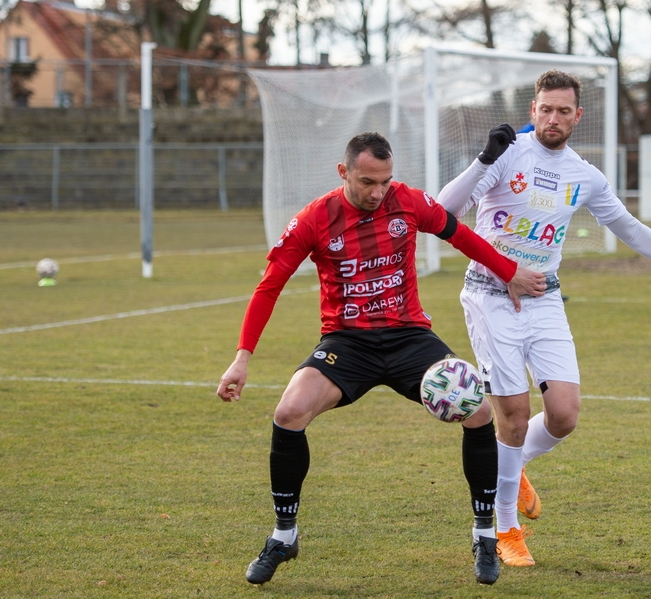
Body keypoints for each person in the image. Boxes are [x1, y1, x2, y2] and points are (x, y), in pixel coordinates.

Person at [437, 70, 651, 568]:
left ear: (578, 116)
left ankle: (507, 468)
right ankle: (505, 531)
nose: (553, 118)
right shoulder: (505, 154)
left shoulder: (585, 175)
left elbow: (628, 226)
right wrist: (483, 159)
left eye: (564, 110)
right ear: (533, 109)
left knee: (564, 415)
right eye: (545, 108)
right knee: (513, 415)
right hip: (488, 296)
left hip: (545, 299)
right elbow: (440, 212)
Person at [217, 132, 546, 586]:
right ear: (343, 172)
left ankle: (485, 533)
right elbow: (269, 286)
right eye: (367, 182)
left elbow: (461, 235)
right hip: (347, 342)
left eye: (385, 182)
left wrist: (508, 272)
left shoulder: (407, 202)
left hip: (409, 337)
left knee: (478, 411)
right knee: (289, 412)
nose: (377, 193)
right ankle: (284, 535)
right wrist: (242, 358)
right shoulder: (315, 219)